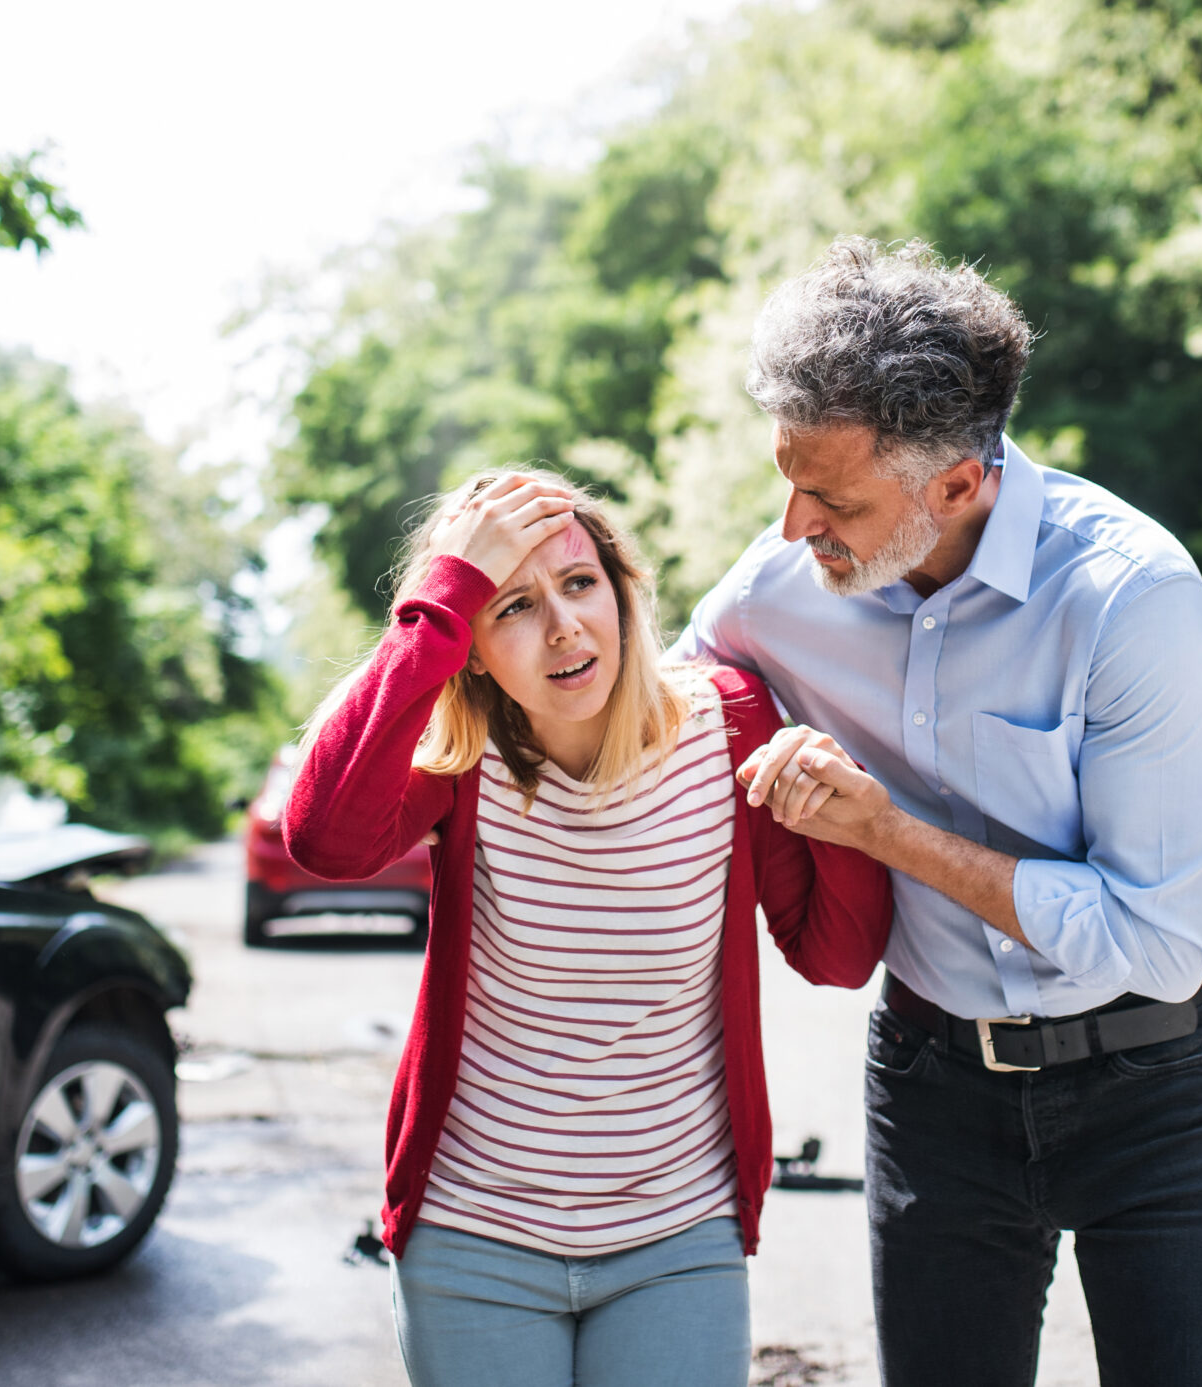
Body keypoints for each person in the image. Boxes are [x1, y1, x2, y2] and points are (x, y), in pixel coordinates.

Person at [673, 239, 1202, 1387]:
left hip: (1156, 1088)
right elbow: (646, 718)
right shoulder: (780, 583)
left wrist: (883, 833)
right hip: (931, 1082)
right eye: (785, 480)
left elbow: (1156, 939)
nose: (795, 526)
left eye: (832, 497)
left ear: (957, 483)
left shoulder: (1128, 595)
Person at [284, 469, 893, 1387]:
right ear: (472, 647)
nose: (564, 627)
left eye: (579, 583)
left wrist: (842, 815)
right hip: (472, 1236)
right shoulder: (464, 764)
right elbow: (325, 838)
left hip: (678, 1236)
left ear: (621, 590)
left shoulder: (727, 726)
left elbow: (839, 957)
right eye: (514, 606)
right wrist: (438, 599)